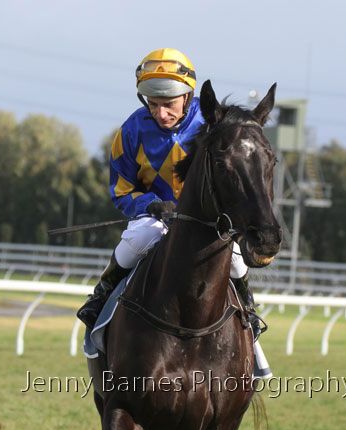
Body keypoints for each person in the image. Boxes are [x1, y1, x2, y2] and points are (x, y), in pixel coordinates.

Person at [77, 48, 256, 332]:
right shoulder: (132, 130)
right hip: (154, 218)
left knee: (234, 259)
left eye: (169, 104)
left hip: (206, 220)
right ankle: (100, 297)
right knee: (138, 238)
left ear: (187, 96)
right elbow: (121, 189)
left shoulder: (211, 125)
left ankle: (249, 309)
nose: (161, 113)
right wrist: (151, 204)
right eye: (153, 104)